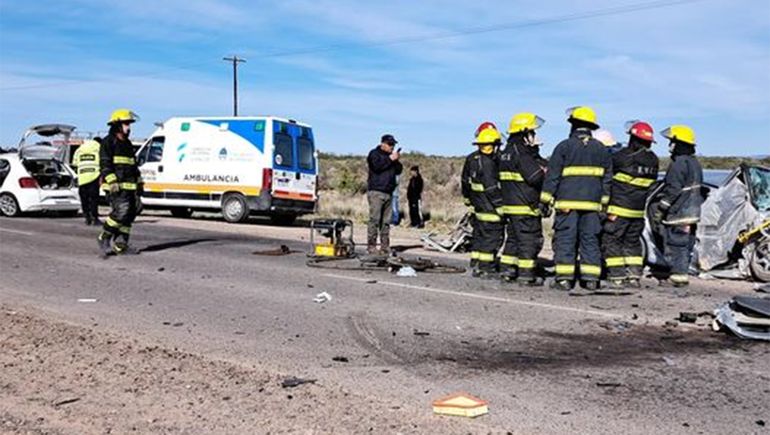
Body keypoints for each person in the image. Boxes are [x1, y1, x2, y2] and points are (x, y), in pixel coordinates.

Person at [540, 106, 612, 291]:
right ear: (591, 127)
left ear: (572, 125)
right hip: (593, 207)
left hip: (567, 206)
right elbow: (607, 180)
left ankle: (564, 279)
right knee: (590, 240)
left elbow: (552, 177)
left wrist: (545, 201)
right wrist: (603, 205)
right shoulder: (602, 150)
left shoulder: (564, 147)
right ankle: (590, 280)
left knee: (566, 240)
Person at [602, 121, 659, 289]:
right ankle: (634, 275)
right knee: (632, 243)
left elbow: (607, 177)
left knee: (612, 242)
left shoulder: (622, 157)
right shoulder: (653, 160)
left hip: (618, 210)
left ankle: (617, 276)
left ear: (633, 138)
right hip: (637, 211)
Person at [498, 113, 549, 286]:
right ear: (524, 133)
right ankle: (526, 276)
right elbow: (535, 177)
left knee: (512, 240)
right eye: (532, 133)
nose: (534, 136)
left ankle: (507, 271)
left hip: (510, 207)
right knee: (529, 241)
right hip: (525, 207)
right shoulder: (522, 154)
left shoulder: (506, 153)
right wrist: (545, 171)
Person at [655, 125, 703, 287]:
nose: (670, 146)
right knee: (685, 245)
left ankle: (678, 277)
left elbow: (673, 189)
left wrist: (662, 207)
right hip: (693, 213)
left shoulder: (679, 163)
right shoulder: (694, 163)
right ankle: (681, 272)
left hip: (679, 213)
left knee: (677, 245)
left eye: (672, 142)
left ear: (680, 143)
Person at [97, 109, 142, 256]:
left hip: (130, 186)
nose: (129, 127)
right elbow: (105, 164)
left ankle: (121, 245)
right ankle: (104, 237)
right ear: (117, 125)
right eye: (126, 124)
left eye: (129, 124)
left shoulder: (128, 144)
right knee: (121, 212)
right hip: (115, 187)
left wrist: (139, 182)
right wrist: (112, 181)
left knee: (130, 213)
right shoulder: (108, 142)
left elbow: (133, 166)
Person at [461, 127, 504, 279]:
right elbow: (492, 188)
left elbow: (465, 181)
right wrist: (500, 206)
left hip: (479, 206)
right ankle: (486, 268)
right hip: (490, 208)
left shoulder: (473, 159)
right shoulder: (489, 163)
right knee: (492, 238)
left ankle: (477, 262)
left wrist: (468, 198)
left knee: (480, 236)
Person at [367, 134, 403, 254]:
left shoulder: (391, 157)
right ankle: (371, 246)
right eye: (390, 144)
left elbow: (399, 170)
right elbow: (377, 167)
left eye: (393, 145)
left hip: (388, 192)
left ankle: (385, 245)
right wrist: (390, 160)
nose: (392, 147)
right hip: (376, 192)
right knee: (375, 220)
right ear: (383, 143)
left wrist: (396, 160)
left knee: (386, 222)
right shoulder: (374, 154)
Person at [72, 138, 102, 225]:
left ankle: (87, 218)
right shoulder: (99, 147)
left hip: (82, 177)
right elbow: (103, 161)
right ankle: (94, 218)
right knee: (94, 199)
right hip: (94, 176)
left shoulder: (80, 149)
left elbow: (75, 163)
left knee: (84, 199)